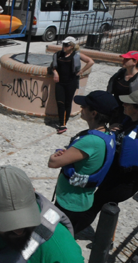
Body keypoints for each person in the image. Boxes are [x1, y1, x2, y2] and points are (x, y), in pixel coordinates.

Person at [48, 90, 118, 234]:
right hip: (83, 200)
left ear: (94, 113)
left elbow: (53, 163)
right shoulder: (107, 133)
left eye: (85, 106)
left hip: (70, 202)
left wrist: (55, 155)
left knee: (57, 238)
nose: (81, 108)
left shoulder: (91, 141)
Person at [78, 89, 138, 231]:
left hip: (122, 184)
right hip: (112, 176)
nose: (123, 104)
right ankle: (107, 240)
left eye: (128, 103)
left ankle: (74, 232)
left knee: (96, 206)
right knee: (108, 206)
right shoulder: (128, 121)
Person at [51, 36, 94, 134]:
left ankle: (63, 124)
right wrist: (55, 72)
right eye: (63, 44)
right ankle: (61, 122)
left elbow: (91, 61)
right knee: (60, 101)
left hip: (71, 82)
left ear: (72, 46)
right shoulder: (58, 54)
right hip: (60, 82)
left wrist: (82, 71)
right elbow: (53, 66)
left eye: (67, 45)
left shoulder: (76, 55)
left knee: (67, 102)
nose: (64, 46)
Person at [106, 50, 138, 126]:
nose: (123, 61)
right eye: (124, 59)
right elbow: (109, 90)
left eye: (127, 59)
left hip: (130, 113)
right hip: (116, 111)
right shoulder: (119, 74)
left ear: (135, 62)